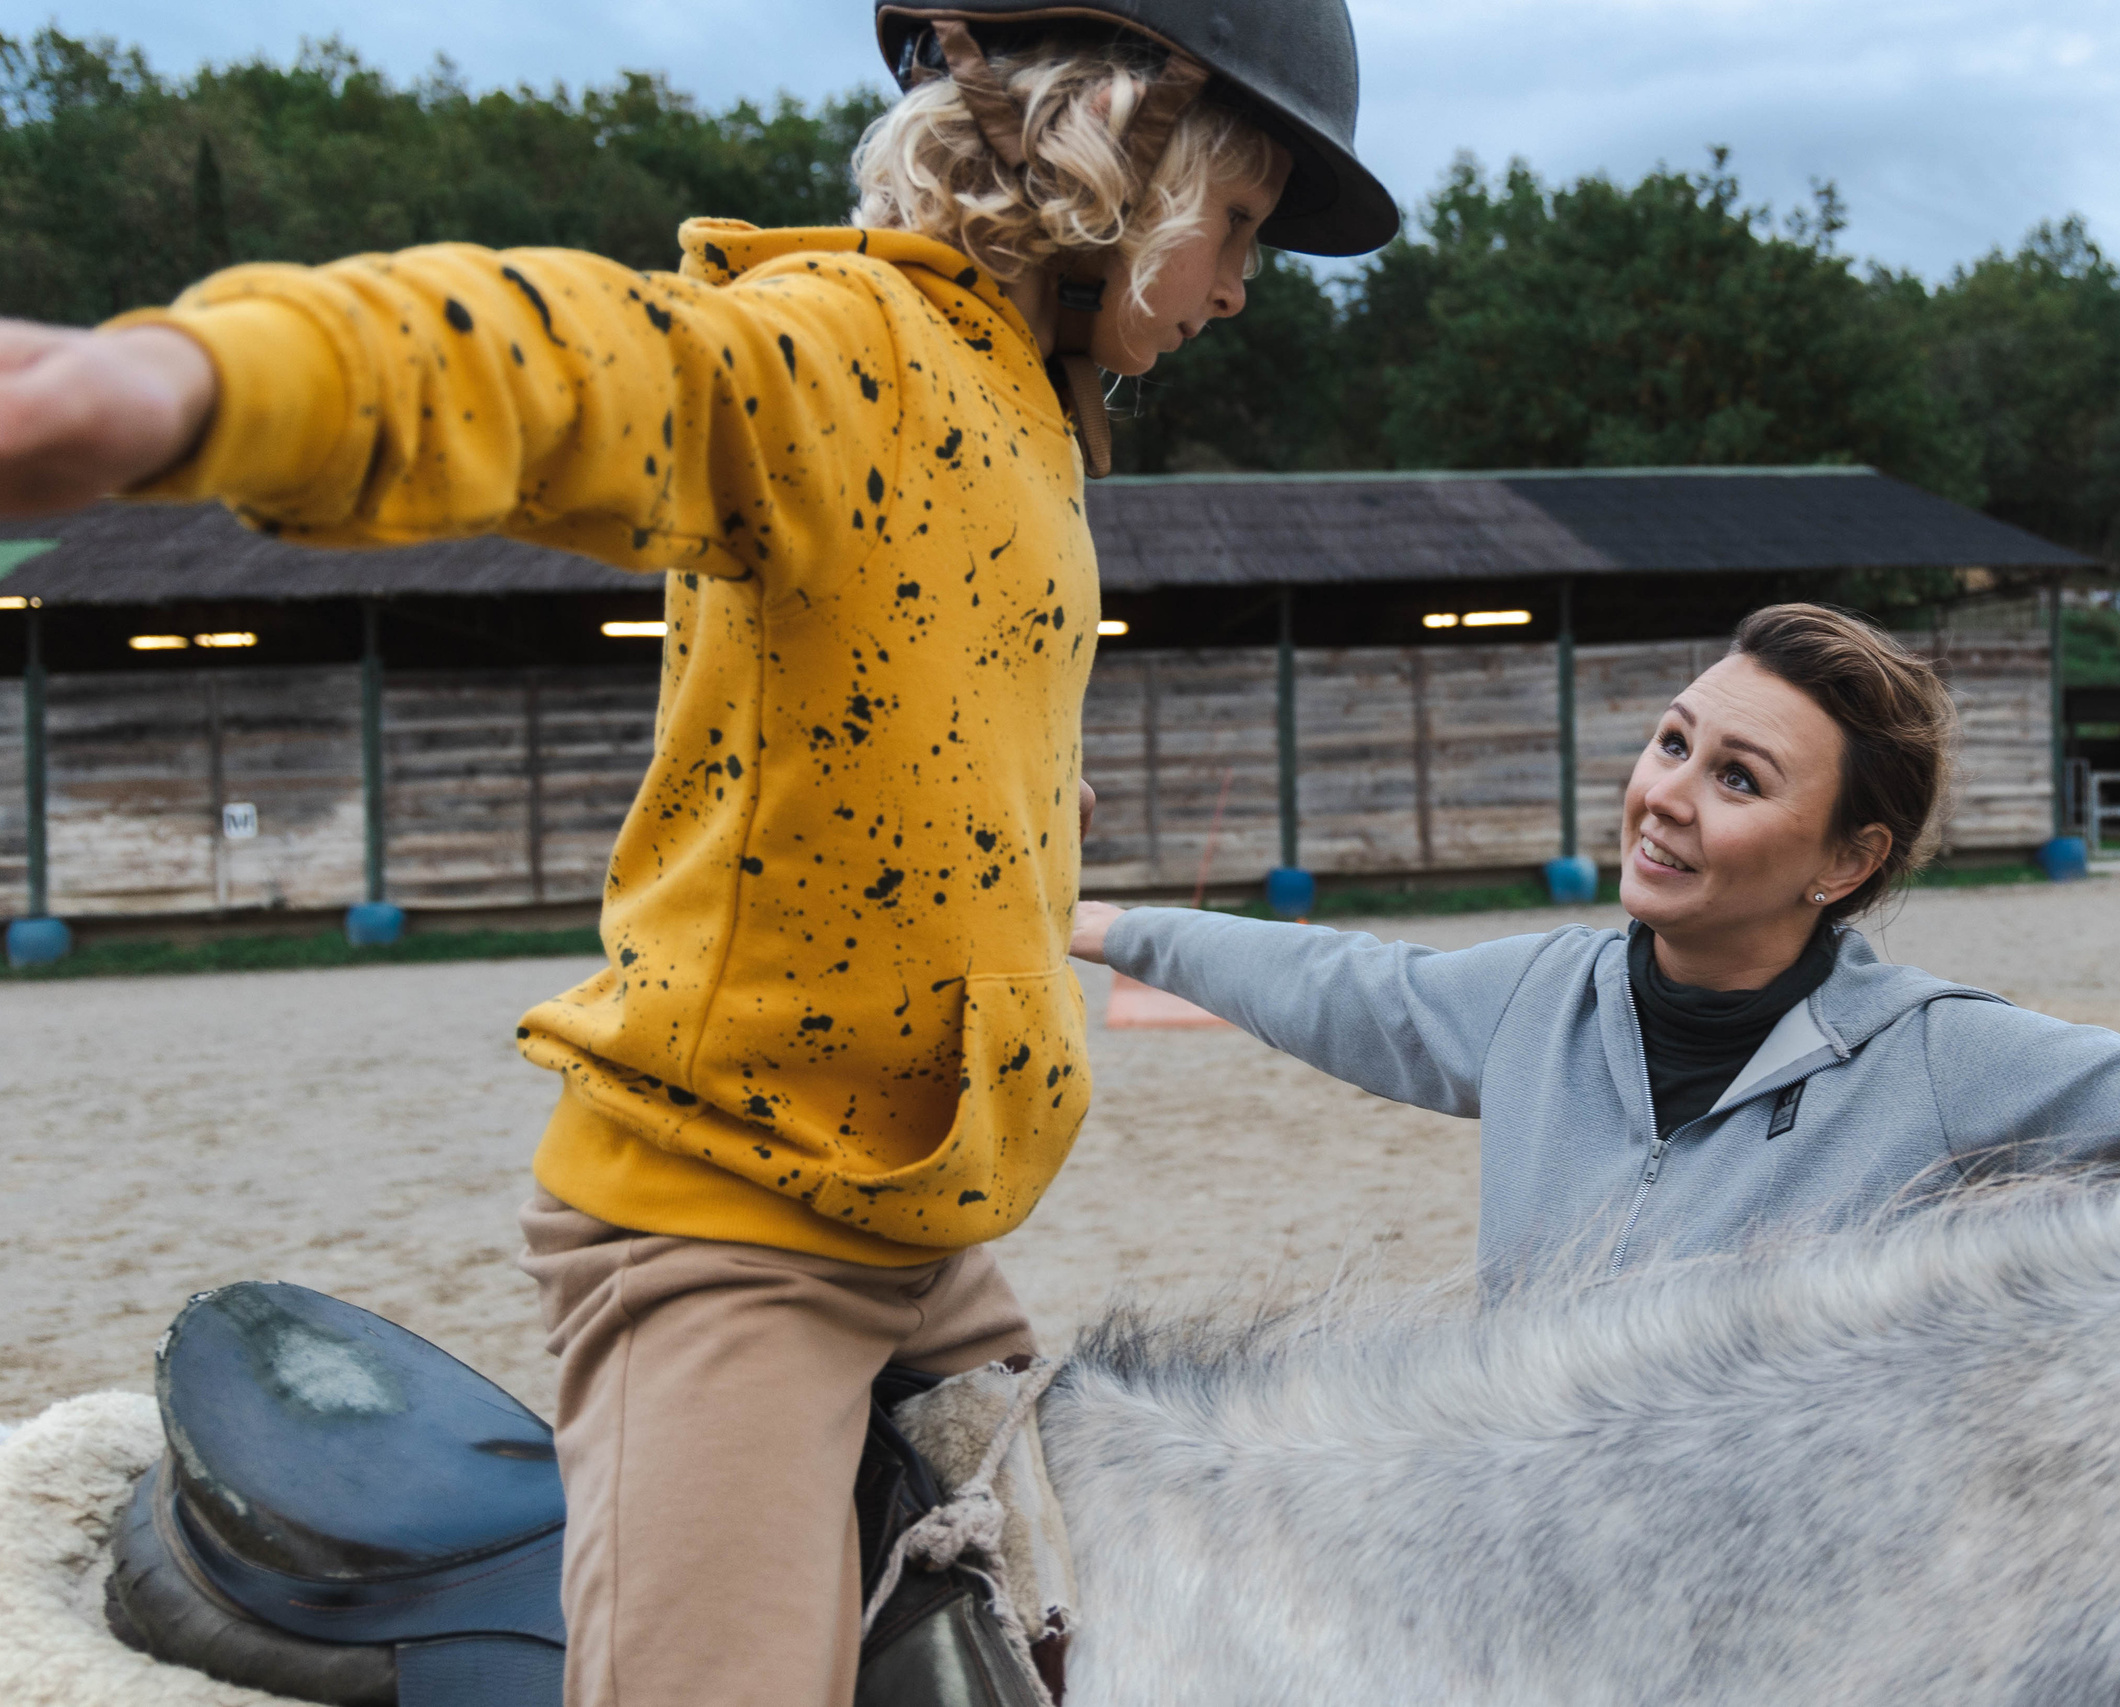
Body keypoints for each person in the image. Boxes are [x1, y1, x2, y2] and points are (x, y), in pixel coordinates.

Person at [0, 3, 1395, 1702]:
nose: (1246, 281)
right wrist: (191, 382)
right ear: (1113, 140)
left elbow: (927, 709)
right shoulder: (851, 347)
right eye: (1240, 222)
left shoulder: (1028, 416)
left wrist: (1016, 827)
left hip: (918, 1226)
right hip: (734, 1232)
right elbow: (583, 369)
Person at [1071, 602, 2120, 1285]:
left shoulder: (1943, 1064)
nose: (1666, 797)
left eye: (1738, 779)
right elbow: (1332, 983)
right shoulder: (1534, 1002)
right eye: (1675, 741)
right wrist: (1108, 927)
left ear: (1847, 861)